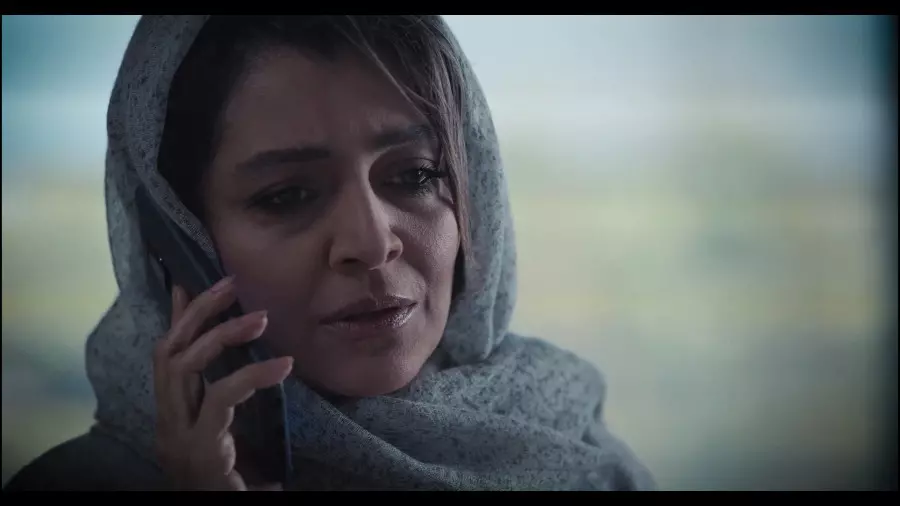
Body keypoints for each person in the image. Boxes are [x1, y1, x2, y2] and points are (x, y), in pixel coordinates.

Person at [5, 15, 656, 491]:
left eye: (416, 176)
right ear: (180, 242)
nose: (371, 245)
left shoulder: (570, 449)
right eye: (287, 196)